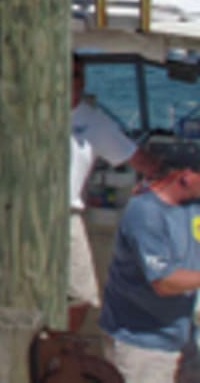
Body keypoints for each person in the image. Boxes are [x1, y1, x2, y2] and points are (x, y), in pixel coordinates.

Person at [69, 54, 159, 330]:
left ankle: (56, 352)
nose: (76, 81)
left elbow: (140, 161)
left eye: (79, 74)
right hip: (14, 211)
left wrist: (170, 175)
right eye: (70, 73)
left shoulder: (93, 121)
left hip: (65, 214)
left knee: (81, 294)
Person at [99, 140, 200, 381]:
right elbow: (164, 282)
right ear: (185, 177)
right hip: (141, 343)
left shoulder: (191, 206)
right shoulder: (146, 214)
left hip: (182, 336)